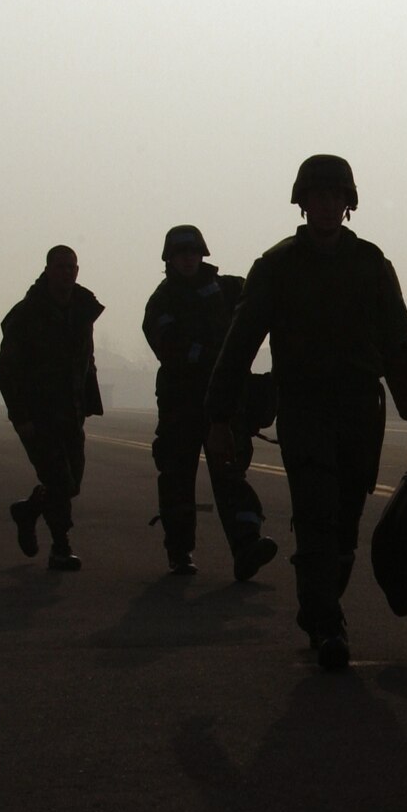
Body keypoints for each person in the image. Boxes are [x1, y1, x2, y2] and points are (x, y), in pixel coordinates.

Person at [205, 155, 407, 671]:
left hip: (361, 409)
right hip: (303, 407)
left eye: (335, 196)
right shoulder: (276, 267)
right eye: (317, 196)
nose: (326, 205)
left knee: (345, 526)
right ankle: (325, 623)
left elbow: (402, 346)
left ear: (349, 204)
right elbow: (239, 345)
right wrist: (217, 418)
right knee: (317, 514)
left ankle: (322, 607)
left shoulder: (371, 264)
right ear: (302, 203)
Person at [142, 225, 278, 580]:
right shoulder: (161, 303)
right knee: (176, 477)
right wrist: (218, 357)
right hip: (181, 404)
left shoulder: (230, 289)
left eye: (193, 252)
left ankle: (247, 544)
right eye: (180, 253)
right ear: (169, 259)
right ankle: (180, 551)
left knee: (231, 473)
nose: (188, 259)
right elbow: (170, 349)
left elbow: (262, 311)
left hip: (224, 400)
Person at [0, 244, 104, 572]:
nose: (67, 272)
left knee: (71, 483)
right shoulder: (26, 315)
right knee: (58, 479)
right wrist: (20, 417)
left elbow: (87, 359)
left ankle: (29, 510)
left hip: (70, 413)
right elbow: (7, 370)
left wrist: (88, 399)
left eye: (72, 266)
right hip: (39, 416)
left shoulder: (82, 309)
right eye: (60, 266)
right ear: (48, 270)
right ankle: (61, 546)